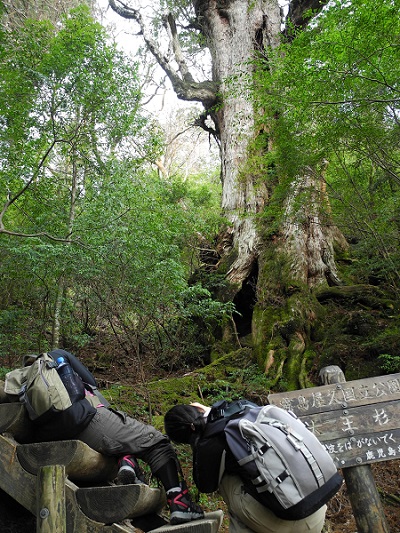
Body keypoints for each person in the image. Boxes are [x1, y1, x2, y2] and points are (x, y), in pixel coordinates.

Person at [32, 349, 204, 525]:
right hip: (87, 420)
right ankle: (180, 503)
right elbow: (91, 382)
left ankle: (128, 463)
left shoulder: (32, 379)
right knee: (156, 442)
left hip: (56, 433)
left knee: (121, 441)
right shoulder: (57, 355)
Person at [164, 400, 327, 533]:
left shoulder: (209, 442)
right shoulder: (245, 407)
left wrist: (198, 445)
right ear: (197, 408)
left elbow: (206, 486)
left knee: (224, 478)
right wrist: (208, 411)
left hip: (283, 524)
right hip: (316, 508)